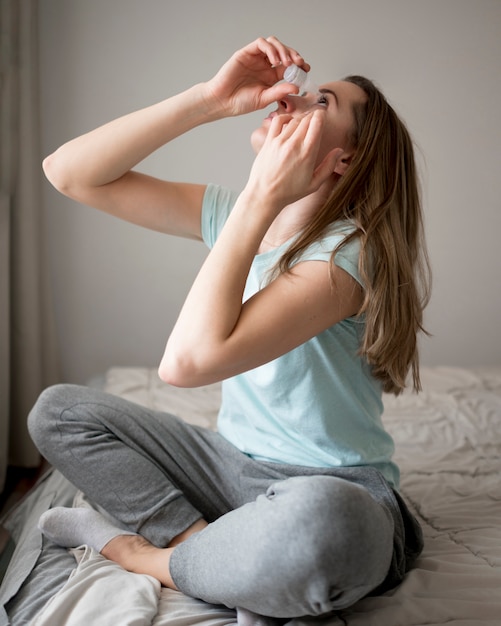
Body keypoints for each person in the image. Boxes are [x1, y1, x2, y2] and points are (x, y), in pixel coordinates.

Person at [29, 36, 430, 625]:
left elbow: (185, 365)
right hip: (229, 466)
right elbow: (68, 173)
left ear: (343, 160)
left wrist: (262, 197)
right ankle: (202, 542)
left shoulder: (349, 257)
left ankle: (155, 558)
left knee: (327, 524)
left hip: (329, 485)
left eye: (320, 102)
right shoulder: (232, 212)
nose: (289, 98)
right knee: (59, 412)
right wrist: (208, 101)